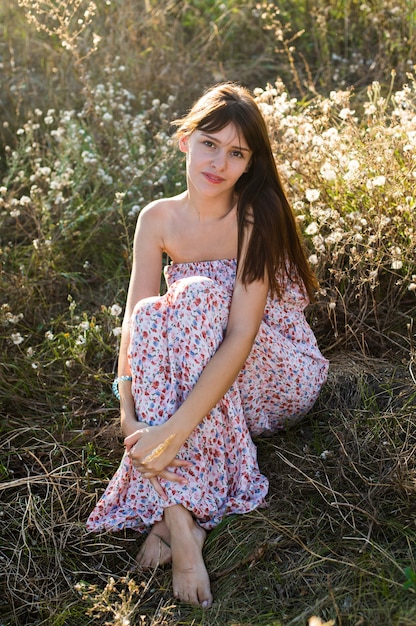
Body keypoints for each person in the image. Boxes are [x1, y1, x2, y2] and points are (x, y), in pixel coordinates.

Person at [86, 82, 329, 609]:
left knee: (193, 297)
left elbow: (241, 336)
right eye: (210, 144)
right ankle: (180, 520)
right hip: (199, 370)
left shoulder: (253, 217)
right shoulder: (157, 219)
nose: (219, 162)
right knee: (154, 313)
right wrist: (129, 414)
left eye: (237, 152)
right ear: (185, 141)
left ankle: (172, 514)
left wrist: (174, 430)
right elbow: (135, 324)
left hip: (273, 371)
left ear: (249, 163)